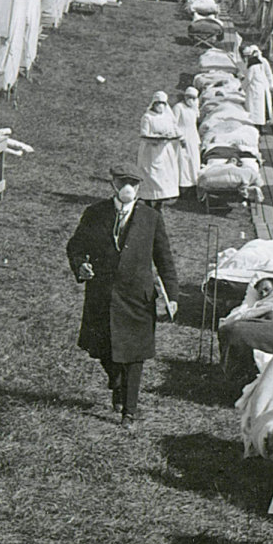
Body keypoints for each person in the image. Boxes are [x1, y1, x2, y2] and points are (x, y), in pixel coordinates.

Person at [66, 162, 179, 428]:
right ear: (113, 184)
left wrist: (171, 295)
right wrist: (81, 264)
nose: (128, 188)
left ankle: (130, 411)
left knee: (134, 354)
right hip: (102, 294)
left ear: (140, 187)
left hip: (137, 297)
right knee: (104, 348)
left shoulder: (151, 219)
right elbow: (76, 246)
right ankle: (116, 381)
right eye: (122, 182)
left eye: (134, 183)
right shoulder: (95, 213)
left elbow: (164, 259)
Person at [137, 91, 182, 207]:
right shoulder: (147, 117)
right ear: (153, 104)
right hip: (150, 151)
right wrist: (156, 138)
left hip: (164, 152)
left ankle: (159, 203)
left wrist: (170, 136)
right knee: (150, 174)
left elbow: (175, 131)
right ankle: (147, 200)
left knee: (163, 175)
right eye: (158, 103)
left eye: (163, 103)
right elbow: (144, 134)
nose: (160, 106)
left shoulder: (167, 117)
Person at [176, 86, 201, 194]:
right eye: (189, 97)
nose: (191, 100)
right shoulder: (178, 107)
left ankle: (193, 185)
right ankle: (183, 187)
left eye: (193, 98)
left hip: (193, 137)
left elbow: (194, 124)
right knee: (183, 162)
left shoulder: (194, 108)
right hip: (183, 137)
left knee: (194, 161)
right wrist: (180, 137)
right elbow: (173, 123)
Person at [242, 45, 273, 126]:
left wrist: (242, 87)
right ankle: (260, 124)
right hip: (259, 86)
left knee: (257, 108)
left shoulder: (259, 63)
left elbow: (268, 73)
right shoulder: (256, 64)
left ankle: (258, 124)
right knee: (259, 108)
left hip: (258, 87)